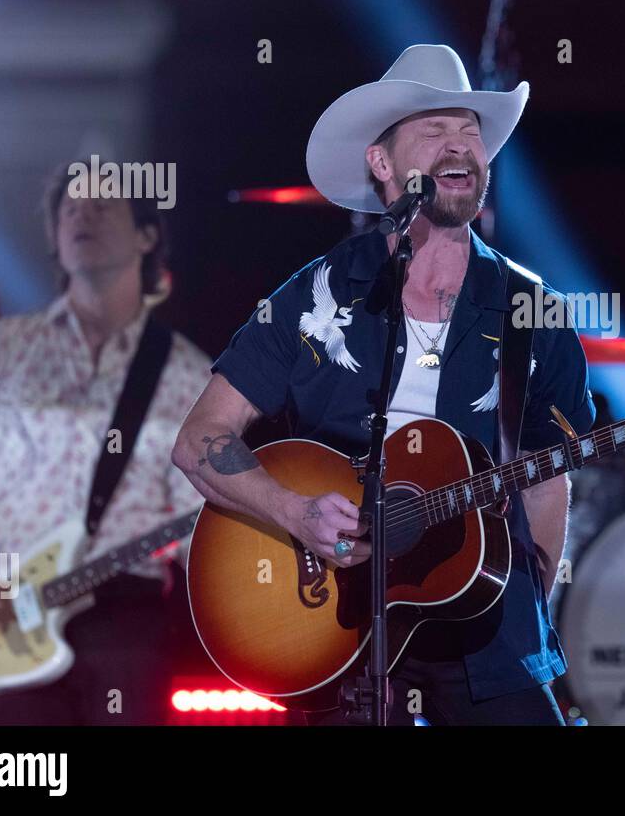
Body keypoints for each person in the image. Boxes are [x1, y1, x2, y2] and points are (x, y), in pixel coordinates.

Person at [173, 44, 595, 726]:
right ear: (382, 163)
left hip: (485, 632)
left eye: (470, 131)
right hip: (339, 627)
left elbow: (549, 478)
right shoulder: (317, 293)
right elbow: (199, 440)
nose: (460, 145)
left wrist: (517, 590)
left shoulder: (533, 310)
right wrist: (294, 513)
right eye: (435, 129)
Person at [0, 167, 213, 725]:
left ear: (146, 236)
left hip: (123, 619)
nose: (82, 214)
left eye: (103, 204)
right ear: (53, 237)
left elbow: (198, 529)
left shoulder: (189, 377)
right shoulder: (2, 348)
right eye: (69, 208)